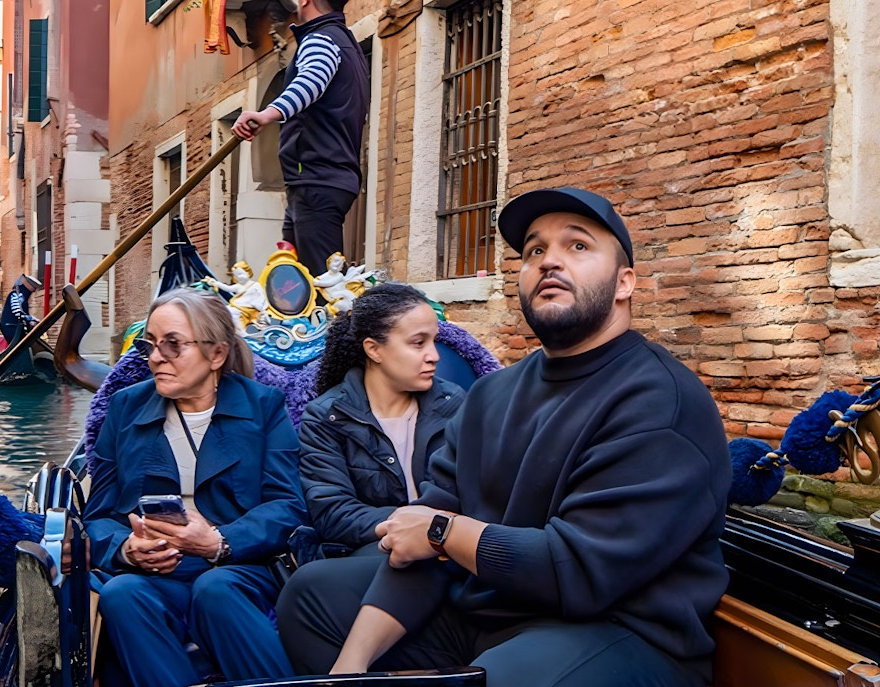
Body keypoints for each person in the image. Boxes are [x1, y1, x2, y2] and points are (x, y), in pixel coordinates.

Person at [277, 188, 731, 687]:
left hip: (620, 631)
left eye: (577, 246)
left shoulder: (659, 401)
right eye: (535, 250)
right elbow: (430, 530)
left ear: (625, 283)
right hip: (492, 610)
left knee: (502, 678)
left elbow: (578, 569)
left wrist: (442, 533)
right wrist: (349, 669)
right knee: (311, 595)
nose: (549, 260)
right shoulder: (491, 394)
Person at [82, 288, 307, 687]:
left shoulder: (264, 407)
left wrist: (219, 541)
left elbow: (288, 506)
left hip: (240, 567)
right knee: (121, 594)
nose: (154, 358)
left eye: (173, 345)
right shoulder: (123, 408)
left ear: (216, 355)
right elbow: (98, 516)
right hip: (154, 572)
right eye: (149, 344)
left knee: (215, 587)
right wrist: (127, 550)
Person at [298, 283, 465, 557]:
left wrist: (437, 531)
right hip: (373, 552)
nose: (434, 356)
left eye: (435, 341)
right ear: (374, 350)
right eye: (418, 343)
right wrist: (412, 524)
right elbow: (333, 513)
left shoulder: (453, 403)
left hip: (452, 550)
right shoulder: (326, 417)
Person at [231, 0, 370, 277]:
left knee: (324, 285)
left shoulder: (321, 39)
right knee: (293, 281)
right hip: (317, 180)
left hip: (317, 180)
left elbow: (311, 81)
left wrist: (268, 114)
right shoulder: (344, 42)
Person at [206, 261, 270, 329]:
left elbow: (261, 298)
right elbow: (227, 288)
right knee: (225, 311)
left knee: (234, 314)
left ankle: (241, 331)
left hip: (248, 309)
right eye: (236, 276)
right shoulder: (238, 286)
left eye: (240, 274)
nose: (239, 277)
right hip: (238, 306)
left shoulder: (255, 285)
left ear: (248, 272)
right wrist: (215, 283)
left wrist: (262, 309)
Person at [0, 274, 40, 343]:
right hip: (10, 326)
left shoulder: (22, 296)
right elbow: (17, 312)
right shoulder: (15, 295)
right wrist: (31, 319)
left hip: (15, 326)